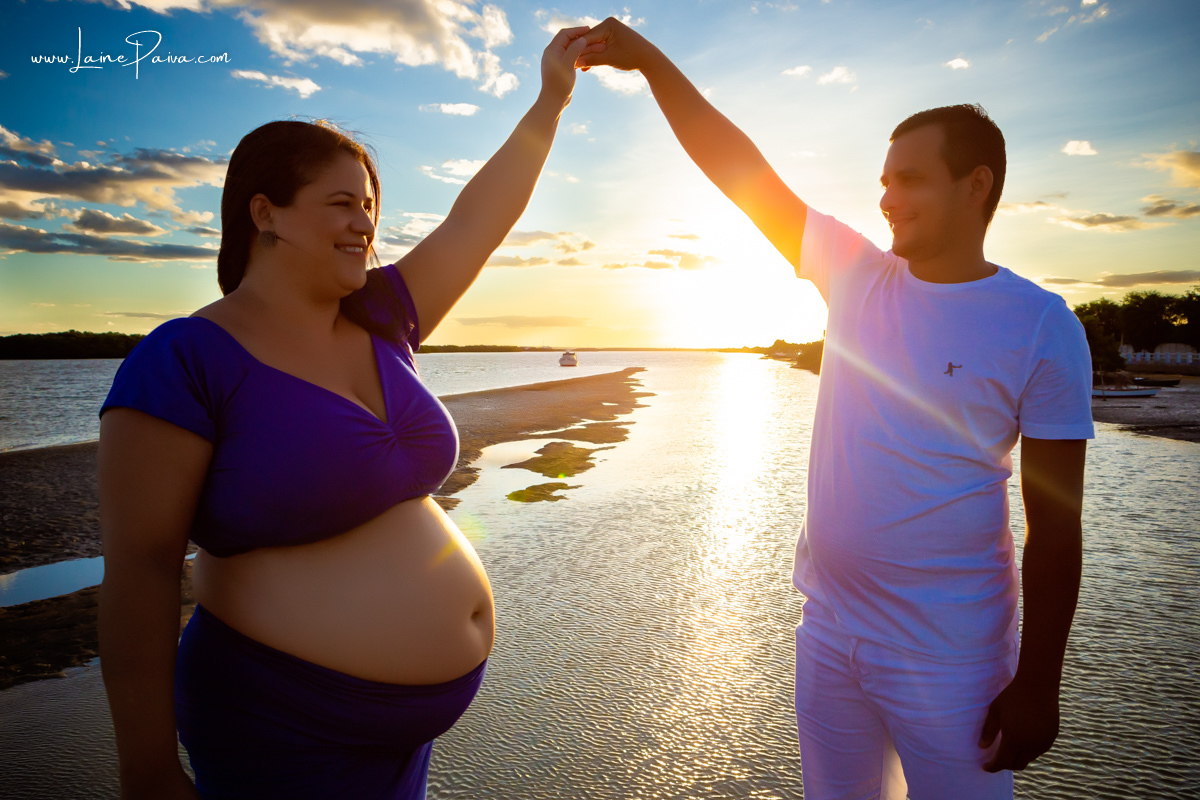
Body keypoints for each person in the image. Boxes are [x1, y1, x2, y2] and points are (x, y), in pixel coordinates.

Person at [578, 19, 1092, 799]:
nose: (886, 197)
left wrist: (1040, 683)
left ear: (976, 185)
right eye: (884, 179)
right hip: (829, 636)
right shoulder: (857, 274)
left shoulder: (1040, 324)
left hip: (949, 657)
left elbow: (1056, 524)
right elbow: (737, 169)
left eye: (910, 179)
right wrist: (649, 63)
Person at [97, 27, 599, 800]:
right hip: (281, 730)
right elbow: (141, 571)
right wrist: (149, 772)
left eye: (369, 206)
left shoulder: (383, 318)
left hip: (402, 745)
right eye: (341, 205)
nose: (365, 223)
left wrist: (551, 99)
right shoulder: (184, 361)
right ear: (265, 214)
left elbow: (476, 221)